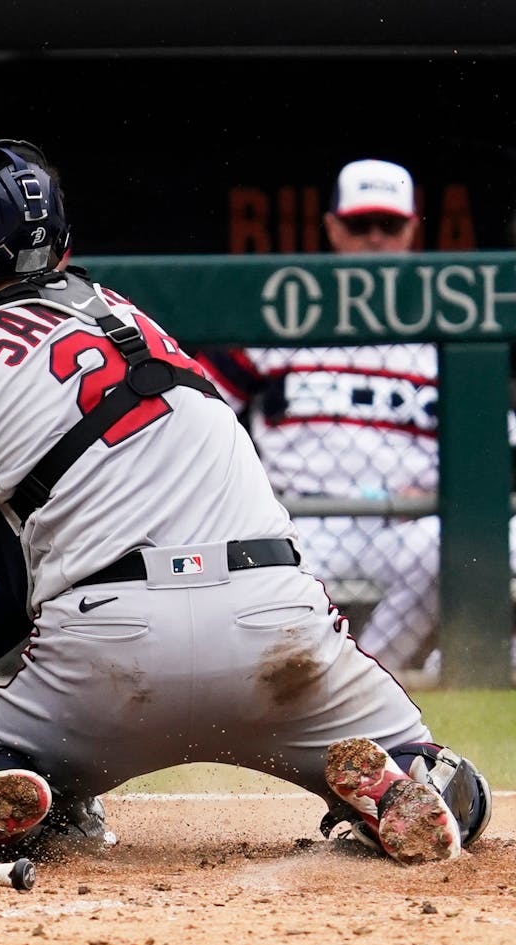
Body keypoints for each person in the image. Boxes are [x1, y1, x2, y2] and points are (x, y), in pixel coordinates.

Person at [0, 141, 491, 867]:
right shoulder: (124, 313)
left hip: (109, 650)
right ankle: (404, 782)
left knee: (14, 779)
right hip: (276, 623)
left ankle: (5, 787)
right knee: (463, 798)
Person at [196, 159, 445, 674]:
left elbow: (494, 447)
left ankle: (374, 678)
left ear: (411, 230)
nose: (374, 239)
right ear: (332, 228)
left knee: (451, 548)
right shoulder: (283, 318)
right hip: (300, 517)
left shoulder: (443, 328)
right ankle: (343, 686)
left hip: (409, 522)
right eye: (359, 225)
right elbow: (195, 409)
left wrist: (446, 495)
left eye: (388, 225)